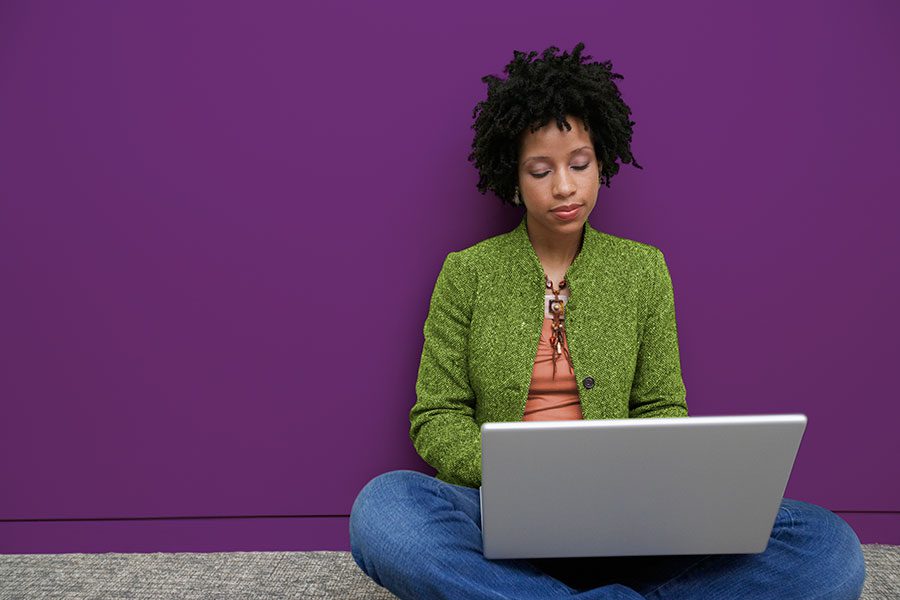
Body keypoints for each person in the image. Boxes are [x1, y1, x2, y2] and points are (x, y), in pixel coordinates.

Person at [349, 42, 866, 599]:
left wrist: (637, 483)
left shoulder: (642, 270)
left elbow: (661, 406)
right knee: (385, 511)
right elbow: (436, 416)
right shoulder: (467, 273)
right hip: (497, 510)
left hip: (625, 518)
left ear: (602, 162)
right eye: (540, 170)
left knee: (827, 546)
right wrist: (516, 475)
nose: (565, 187)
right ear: (513, 177)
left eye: (579, 164)